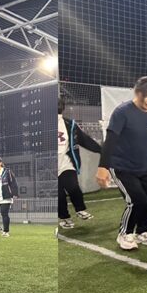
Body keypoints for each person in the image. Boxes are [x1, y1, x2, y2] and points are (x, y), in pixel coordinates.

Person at [96, 76, 147, 251]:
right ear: (137, 92)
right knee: (137, 200)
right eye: (146, 95)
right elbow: (110, 140)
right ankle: (125, 233)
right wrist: (103, 167)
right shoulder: (122, 112)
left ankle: (143, 231)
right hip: (122, 167)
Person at [58, 94, 99, 229]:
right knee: (58, 194)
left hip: (66, 162)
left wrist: (101, 150)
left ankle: (80, 209)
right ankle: (64, 217)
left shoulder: (70, 124)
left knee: (73, 186)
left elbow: (84, 140)